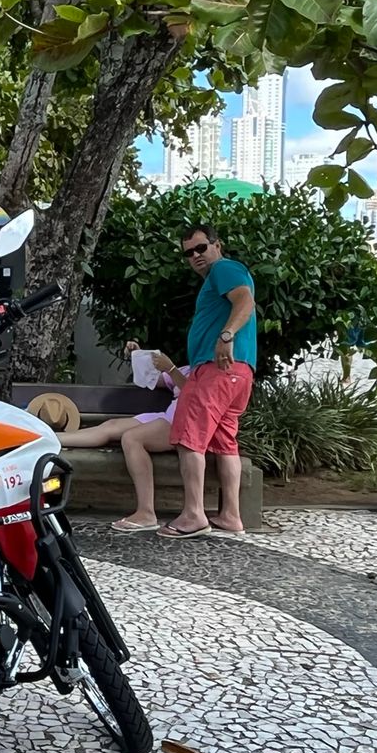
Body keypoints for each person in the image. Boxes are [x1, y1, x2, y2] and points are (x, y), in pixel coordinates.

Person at [159, 222, 257, 539]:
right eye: (189, 253)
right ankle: (230, 515)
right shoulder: (219, 277)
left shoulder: (224, 269)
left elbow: (245, 300)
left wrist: (226, 336)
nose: (196, 256)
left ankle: (193, 514)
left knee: (189, 437)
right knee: (225, 443)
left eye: (201, 248)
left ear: (217, 245)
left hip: (218, 370)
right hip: (238, 373)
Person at [62, 342, 187, 531]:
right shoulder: (189, 369)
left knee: (131, 438)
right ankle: (51, 438)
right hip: (166, 416)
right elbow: (153, 380)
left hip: (182, 422)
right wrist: (139, 357)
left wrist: (170, 368)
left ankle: (146, 511)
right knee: (111, 426)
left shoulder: (211, 373)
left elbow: (196, 394)